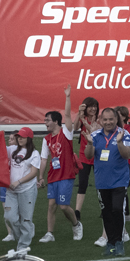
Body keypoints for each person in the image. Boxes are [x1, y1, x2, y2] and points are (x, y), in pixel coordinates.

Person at [38, 85, 83, 242]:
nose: (45, 123)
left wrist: (68, 97)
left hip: (66, 174)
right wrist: (41, 177)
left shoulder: (66, 132)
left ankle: (76, 225)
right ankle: (50, 233)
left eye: (47, 120)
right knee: (51, 205)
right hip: (53, 175)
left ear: (56, 121)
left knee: (63, 206)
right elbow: (44, 159)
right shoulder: (46, 139)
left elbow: (68, 116)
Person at [91, 106, 130, 255]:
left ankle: (119, 241)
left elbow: (127, 154)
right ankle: (110, 243)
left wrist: (120, 143)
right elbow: (89, 155)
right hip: (102, 181)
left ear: (116, 119)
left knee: (117, 209)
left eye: (111, 119)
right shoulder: (95, 135)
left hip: (119, 181)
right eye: (105, 119)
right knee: (106, 213)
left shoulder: (124, 134)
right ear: (101, 120)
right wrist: (90, 143)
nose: (108, 122)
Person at [4, 127, 41, 253]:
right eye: (18, 136)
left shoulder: (35, 154)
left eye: (22, 137)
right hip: (11, 190)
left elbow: (34, 173)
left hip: (27, 190)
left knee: (25, 219)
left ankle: (23, 246)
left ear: (29, 138)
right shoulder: (12, 149)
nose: (19, 139)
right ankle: (25, 234)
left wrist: (18, 182)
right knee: (9, 217)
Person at [74, 96, 101, 222]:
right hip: (84, 155)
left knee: (101, 183)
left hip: (98, 155)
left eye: (95, 106)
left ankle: (104, 208)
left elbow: (95, 133)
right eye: (90, 106)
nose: (93, 109)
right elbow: (74, 128)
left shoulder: (100, 120)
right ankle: (77, 211)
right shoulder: (82, 118)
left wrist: (85, 122)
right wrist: (79, 114)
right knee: (82, 183)